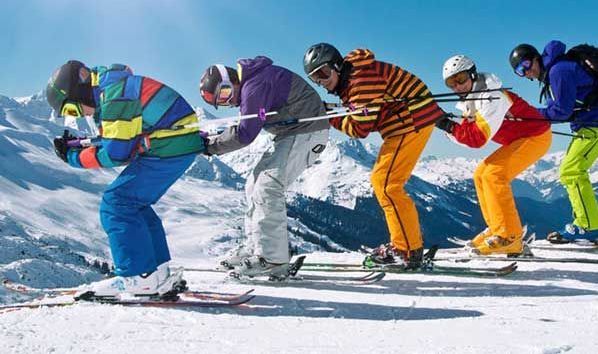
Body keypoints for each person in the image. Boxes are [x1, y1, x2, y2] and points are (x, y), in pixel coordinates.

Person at [46, 60, 204, 297]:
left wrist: (74, 158)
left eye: (72, 110)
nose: (78, 116)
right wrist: (78, 146)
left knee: (116, 202)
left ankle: (138, 277)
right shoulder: (113, 89)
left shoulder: (115, 96)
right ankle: (158, 273)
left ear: (79, 92)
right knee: (134, 204)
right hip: (173, 145)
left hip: (170, 148)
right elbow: (121, 137)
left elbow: (116, 152)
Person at [303, 43, 443, 268]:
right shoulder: (354, 78)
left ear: (337, 66)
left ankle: (406, 251)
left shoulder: (360, 81)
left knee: (387, 184)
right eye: (314, 78)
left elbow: (360, 128)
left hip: (410, 121)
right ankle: (408, 246)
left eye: (323, 73)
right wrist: (333, 110)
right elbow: (362, 112)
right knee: (385, 183)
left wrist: (328, 115)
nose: (321, 82)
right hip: (407, 121)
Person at [199, 57, 329, 278]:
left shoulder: (254, 85)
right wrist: (213, 139)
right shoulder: (253, 83)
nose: (227, 102)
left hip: (306, 132)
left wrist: (210, 146)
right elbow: (245, 125)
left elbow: (245, 133)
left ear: (232, 82)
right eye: (220, 102)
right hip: (292, 134)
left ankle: (272, 259)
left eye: (224, 94)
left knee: (268, 186)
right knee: (254, 185)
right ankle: (258, 249)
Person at [435, 55, 552, 255]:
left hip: (536, 136)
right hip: (520, 139)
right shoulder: (472, 99)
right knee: (481, 174)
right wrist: (447, 127)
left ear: (472, 74)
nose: (457, 86)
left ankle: (510, 237)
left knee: (494, 175)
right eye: (451, 83)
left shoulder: (491, 97)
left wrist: (447, 125)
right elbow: (465, 136)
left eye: (461, 79)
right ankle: (498, 228)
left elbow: (476, 139)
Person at [508, 41, 598, 242]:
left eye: (525, 65)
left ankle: (589, 226)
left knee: (572, 171)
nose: (526, 72)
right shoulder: (554, 72)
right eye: (519, 71)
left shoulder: (558, 71)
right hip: (591, 123)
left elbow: (561, 112)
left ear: (536, 58)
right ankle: (585, 223)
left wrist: (526, 115)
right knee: (571, 171)